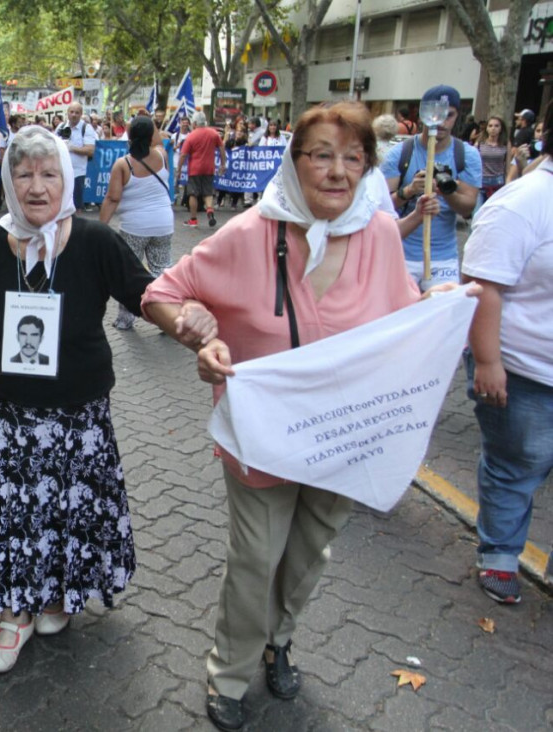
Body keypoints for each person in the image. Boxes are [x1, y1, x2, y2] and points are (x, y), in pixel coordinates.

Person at [142, 101, 453, 732]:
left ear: (368, 165)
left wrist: (435, 307)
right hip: (262, 437)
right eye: (321, 154)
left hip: (347, 438)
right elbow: (161, 293)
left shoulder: (381, 233)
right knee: (257, 559)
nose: (337, 170)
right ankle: (228, 671)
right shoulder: (251, 232)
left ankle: (279, 640)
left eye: (353, 157)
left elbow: (399, 317)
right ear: (295, 160)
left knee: (309, 555)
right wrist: (197, 335)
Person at [0, 125, 155, 674]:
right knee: (12, 514)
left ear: (66, 178)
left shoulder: (95, 242)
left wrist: (191, 316)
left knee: (68, 509)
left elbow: (147, 295)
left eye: (48, 173)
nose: (36, 186)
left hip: (79, 413)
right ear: (9, 182)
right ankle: (15, 613)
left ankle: (60, 596)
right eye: (23, 174)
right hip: (3, 413)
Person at [462, 104, 553, 605]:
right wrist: (489, 361)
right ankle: (499, 553)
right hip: (524, 370)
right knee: (517, 464)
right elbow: (483, 286)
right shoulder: (526, 202)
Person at [382, 84, 480, 290]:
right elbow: (382, 209)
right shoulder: (399, 153)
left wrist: (446, 190)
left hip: (443, 257)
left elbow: (467, 207)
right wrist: (408, 191)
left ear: (457, 116)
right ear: (421, 115)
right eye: (434, 114)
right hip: (401, 253)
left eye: (449, 115)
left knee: (441, 316)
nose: (441, 122)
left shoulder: (467, 155)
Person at [100, 115, 174, 330]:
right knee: (162, 270)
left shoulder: (123, 165)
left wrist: (101, 226)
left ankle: (125, 319)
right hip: (163, 224)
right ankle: (167, 319)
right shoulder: (162, 155)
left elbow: (112, 198)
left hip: (135, 227)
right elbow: (159, 141)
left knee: (129, 273)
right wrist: (151, 126)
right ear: (152, 135)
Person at [177, 111, 227, 227]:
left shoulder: (191, 136)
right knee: (207, 192)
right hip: (209, 167)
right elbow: (221, 148)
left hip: (194, 169)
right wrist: (223, 164)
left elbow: (183, 155)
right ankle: (209, 210)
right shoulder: (213, 134)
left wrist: (179, 169)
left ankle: (193, 219)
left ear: (194, 123)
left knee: (193, 194)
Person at [55, 102, 98, 211]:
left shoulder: (86, 128)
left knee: (76, 206)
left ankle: (76, 227)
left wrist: (71, 148)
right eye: (72, 112)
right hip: (60, 172)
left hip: (77, 173)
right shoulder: (61, 127)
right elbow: (51, 144)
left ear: (81, 114)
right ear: (67, 113)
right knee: (59, 205)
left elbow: (90, 150)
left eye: (77, 112)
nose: (74, 115)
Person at [475, 116, 510, 201]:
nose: (493, 128)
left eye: (496, 126)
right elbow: (473, 163)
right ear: (486, 128)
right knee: (477, 212)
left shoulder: (505, 143)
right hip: (481, 182)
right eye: (490, 126)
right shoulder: (480, 143)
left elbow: (508, 166)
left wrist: (508, 183)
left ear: (501, 128)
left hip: (497, 182)